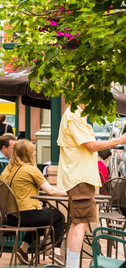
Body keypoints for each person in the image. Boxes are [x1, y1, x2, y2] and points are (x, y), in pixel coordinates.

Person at [57, 104, 126, 268]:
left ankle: (71, 265)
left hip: (79, 177)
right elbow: (90, 145)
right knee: (81, 222)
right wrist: (119, 140)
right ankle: (72, 265)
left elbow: (88, 146)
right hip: (80, 177)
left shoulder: (76, 114)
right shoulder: (74, 115)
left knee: (78, 222)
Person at [0, 140, 66, 266]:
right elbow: (51, 190)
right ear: (29, 154)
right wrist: (70, 192)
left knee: (41, 214)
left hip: (11, 218)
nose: (34, 154)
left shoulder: (6, 171)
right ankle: (56, 253)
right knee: (58, 216)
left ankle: (23, 250)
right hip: (25, 217)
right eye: (33, 152)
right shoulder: (30, 170)